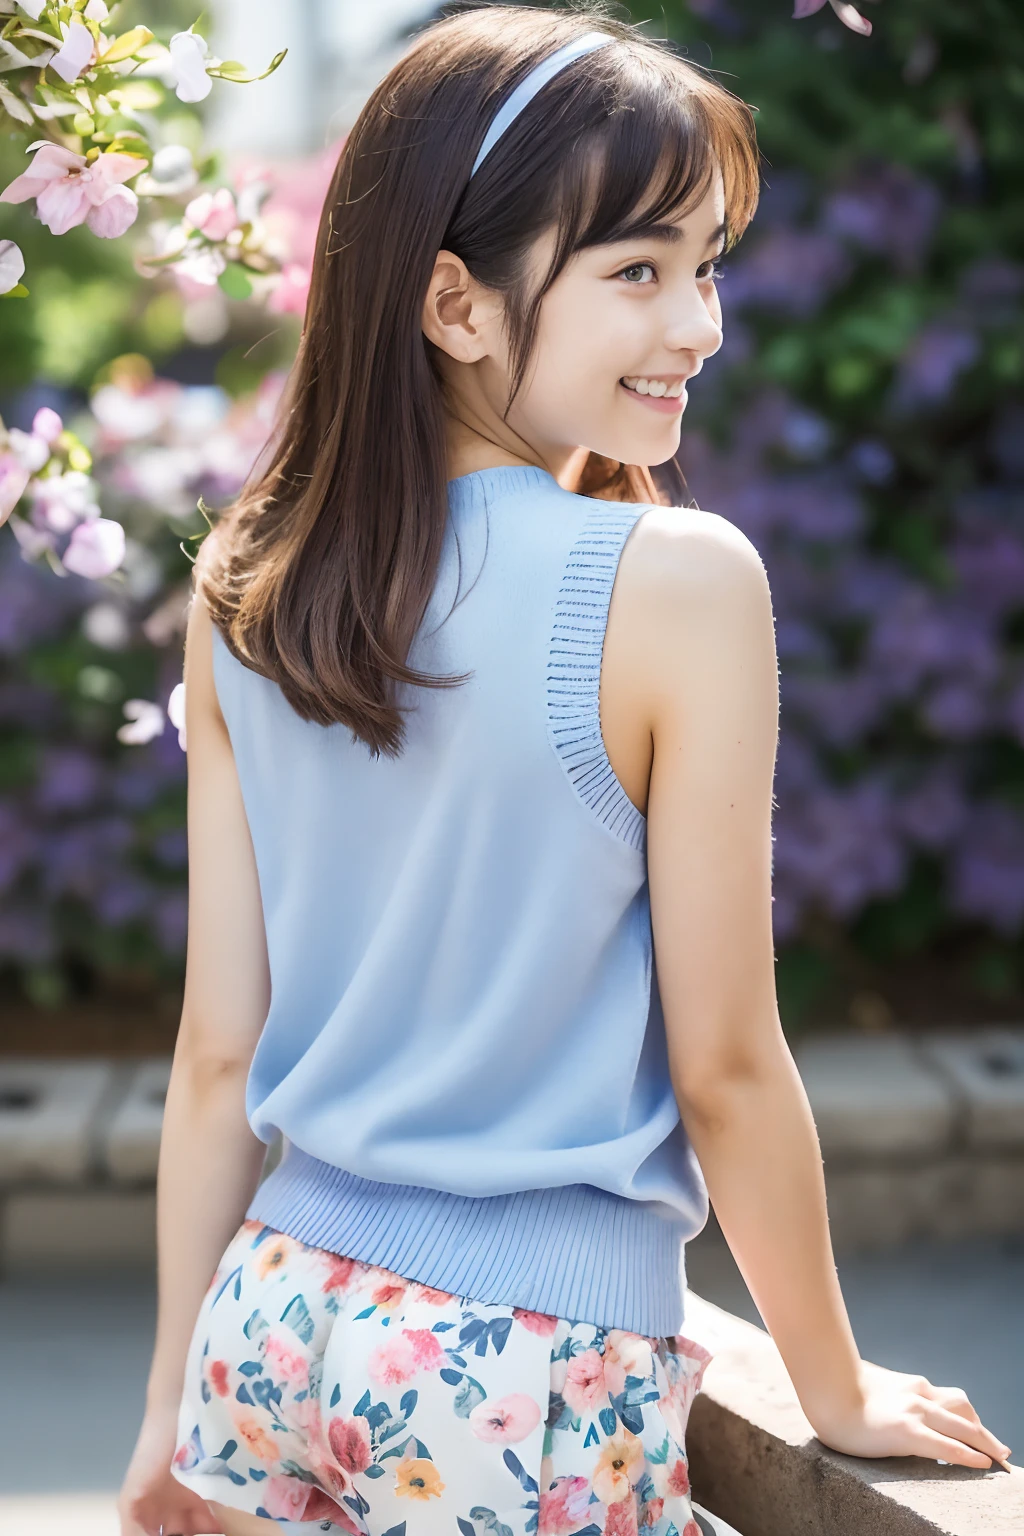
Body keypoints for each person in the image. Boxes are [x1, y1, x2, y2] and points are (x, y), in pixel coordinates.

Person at [117, 7, 1011, 1535]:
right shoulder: (678, 584)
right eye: (638, 273)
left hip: (267, 1326)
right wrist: (837, 1385)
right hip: (511, 1369)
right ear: (455, 304)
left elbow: (216, 1058)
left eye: (708, 264)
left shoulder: (249, 595)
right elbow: (727, 1063)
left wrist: (166, 1414)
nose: (700, 325)